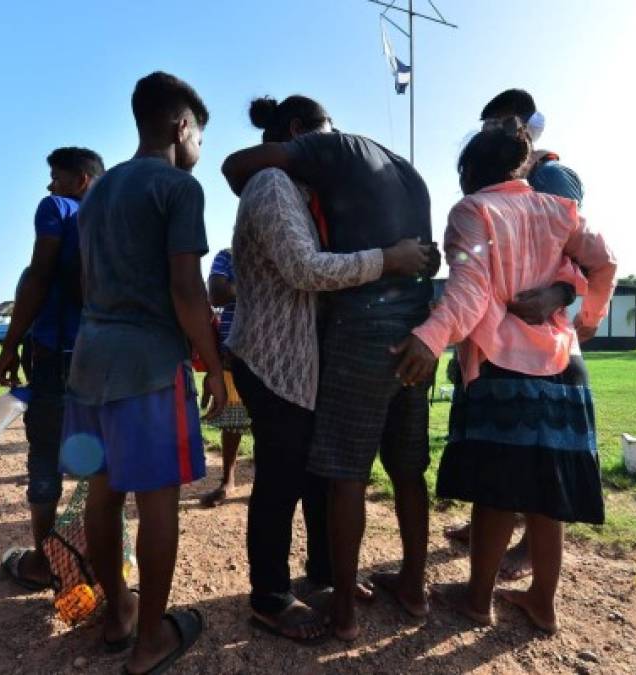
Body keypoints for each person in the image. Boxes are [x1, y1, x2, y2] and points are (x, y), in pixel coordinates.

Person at [392, 119, 616, 634]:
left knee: (495, 492)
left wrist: (429, 337)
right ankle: (542, 602)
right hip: (561, 366)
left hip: (502, 365)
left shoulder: (473, 210)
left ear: (470, 171)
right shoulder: (561, 210)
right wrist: (587, 317)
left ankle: (477, 600)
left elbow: (468, 292)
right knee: (547, 492)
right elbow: (605, 262)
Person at [226, 95, 436, 641]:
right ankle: (270, 596)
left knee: (321, 470)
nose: (333, 145)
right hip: (274, 360)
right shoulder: (272, 184)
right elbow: (303, 269)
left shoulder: (298, 189)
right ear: (298, 134)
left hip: (305, 358)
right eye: (325, 135)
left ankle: (325, 574)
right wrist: (387, 259)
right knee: (281, 478)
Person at [62, 72, 224, 674]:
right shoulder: (179, 188)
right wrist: (212, 363)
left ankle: (119, 613)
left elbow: (86, 284)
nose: (199, 151)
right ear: (182, 127)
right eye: (200, 137)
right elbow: (186, 288)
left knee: (102, 498)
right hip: (150, 367)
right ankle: (152, 640)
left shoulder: (97, 192)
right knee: (158, 506)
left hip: (90, 361)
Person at [445, 89, 591, 582]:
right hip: (504, 340)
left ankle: (521, 548)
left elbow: (572, 250)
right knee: (502, 463)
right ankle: (490, 536)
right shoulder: (505, 184)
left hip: (532, 345)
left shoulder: (548, 177)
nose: (495, 135)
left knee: (520, 468)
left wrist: (558, 293)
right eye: (488, 127)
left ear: (526, 126)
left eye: (502, 125)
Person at [0, 147, 105, 590]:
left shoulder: (58, 208)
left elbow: (39, 276)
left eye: (56, 177)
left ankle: (44, 562)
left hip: (57, 355)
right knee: (101, 462)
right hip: (106, 357)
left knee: (44, 458)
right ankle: (96, 558)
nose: (50, 186)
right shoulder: (120, 216)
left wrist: (10, 345)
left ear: (79, 180)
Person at [199, 247, 250, 508]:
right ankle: (227, 480)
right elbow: (216, 294)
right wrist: (259, 284)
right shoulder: (228, 255)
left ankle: (264, 483)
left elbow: (225, 289)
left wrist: (234, 284)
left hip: (270, 356)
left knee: (270, 427)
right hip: (233, 355)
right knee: (232, 422)